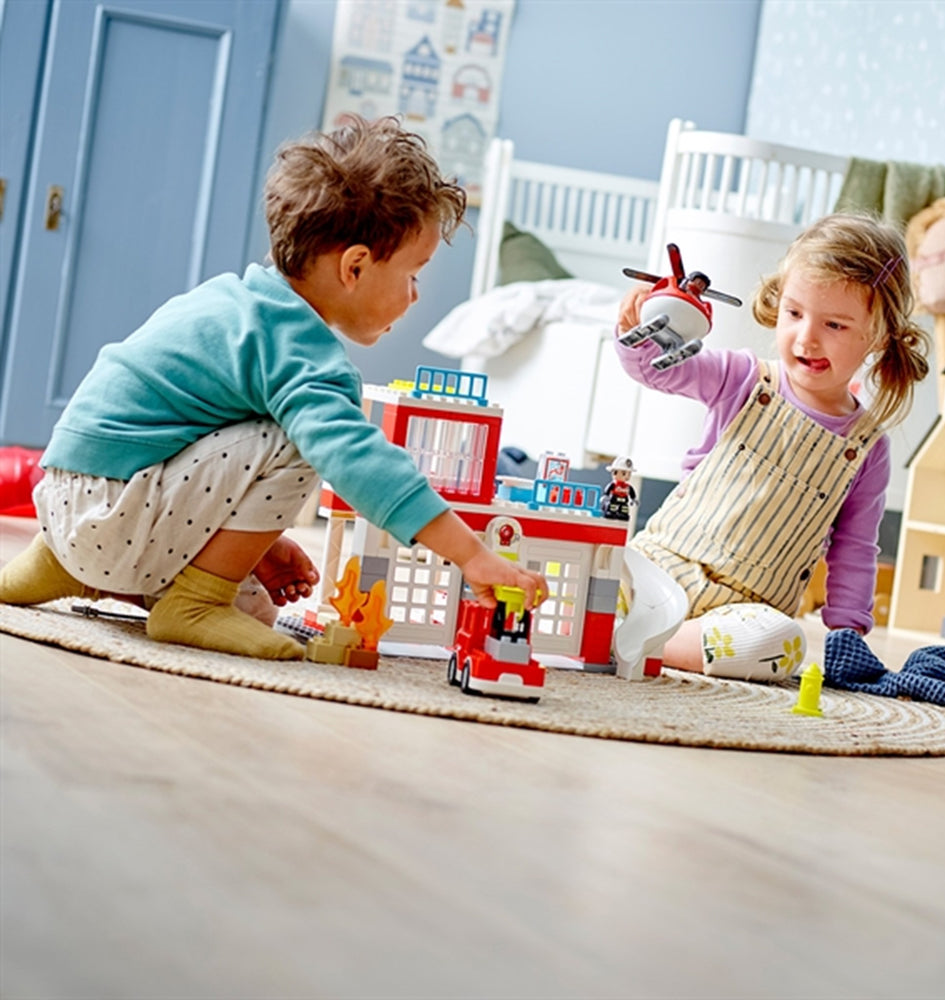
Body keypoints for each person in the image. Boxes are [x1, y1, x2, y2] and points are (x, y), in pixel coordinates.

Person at [0, 115, 548, 661]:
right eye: (413, 275)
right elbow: (359, 461)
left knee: (256, 611)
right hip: (112, 517)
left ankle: (58, 565)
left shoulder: (235, 301)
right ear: (355, 266)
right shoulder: (303, 355)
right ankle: (194, 602)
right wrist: (473, 556)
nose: (415, 295)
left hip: (65, 505)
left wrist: (256, 539)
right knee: (302, 438)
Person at [616, 214, 930, 680]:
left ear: (878, 336)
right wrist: (636, 331)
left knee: (784, 645)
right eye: (794, 313)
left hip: (741, 616)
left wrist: (848, 632)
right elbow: (658, 370)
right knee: (598, 579)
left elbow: (855, 548)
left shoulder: (866, 449)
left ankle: (636, 641)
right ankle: (635, 631)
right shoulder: (742, 378)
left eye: (835, 325)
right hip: (658, 572)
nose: (807, 338)